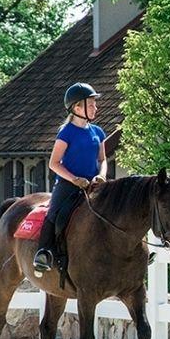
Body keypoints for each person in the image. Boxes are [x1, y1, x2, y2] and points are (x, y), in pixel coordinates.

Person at [33, 82, 107, 272]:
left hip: (93, 185)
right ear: (76, 107)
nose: (95, 108)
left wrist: (101, 175)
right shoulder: (66, 132)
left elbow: (103, 160)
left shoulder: (98, 132)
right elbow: (54, 163)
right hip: (68, 185)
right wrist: (74, 179)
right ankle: (43, 253)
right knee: (54, 213)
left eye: (94, 104)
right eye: (90, 104)